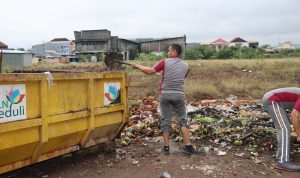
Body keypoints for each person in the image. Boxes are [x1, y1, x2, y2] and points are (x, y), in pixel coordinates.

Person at [132, 44, 197, 155]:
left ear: (175, 52)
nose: (168, 53)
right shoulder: (186, 66)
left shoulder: (165, 62)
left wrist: (137, 66)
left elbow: (150, 71)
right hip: (179, 95)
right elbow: (179, 77)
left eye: (169, 51)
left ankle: (166, 148)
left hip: (165, 95)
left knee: (165, 120)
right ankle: (188, 147)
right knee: (182, 121)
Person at [262, 87, 300, 171]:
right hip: (271, 101)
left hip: (277, 102)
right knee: (284, 128)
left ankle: (286, 151)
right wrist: (299, 135)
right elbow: (294, 115)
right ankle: (282, 162)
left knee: (286, 126)